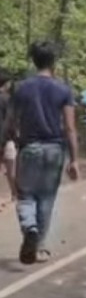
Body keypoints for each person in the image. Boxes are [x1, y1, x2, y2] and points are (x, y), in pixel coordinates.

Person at [6, 42, 80, 264]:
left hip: (29, 148)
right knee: (46, 199)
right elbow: (70, 127)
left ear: (33, 60)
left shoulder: (21, 88)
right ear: (53, 61)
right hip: (55, 149)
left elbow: (10, 122)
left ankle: (30, 227)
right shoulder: (63, 90)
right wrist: (74, 160)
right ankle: (39, 247)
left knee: (26, 195)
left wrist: (16, 139)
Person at [0, 69, 16, 200]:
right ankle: (15, 195)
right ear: (6, 84)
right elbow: (11, 120)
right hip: (7, 139)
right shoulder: (7, 99)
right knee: (12, 170)